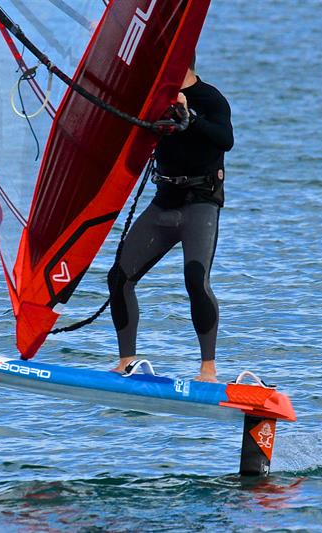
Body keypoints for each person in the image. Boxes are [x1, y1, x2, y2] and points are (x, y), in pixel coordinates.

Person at [108, 57, 233, 382]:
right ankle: (127, 362)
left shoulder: (210, 98)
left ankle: (208, 370)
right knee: (119, 277)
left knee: (195, 280)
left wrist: (190, 118)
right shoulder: (154, 101)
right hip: (164, 204)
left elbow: (226, 140)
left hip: (200, 205)